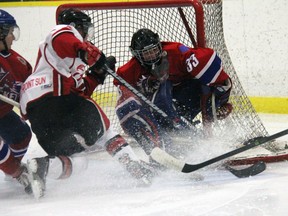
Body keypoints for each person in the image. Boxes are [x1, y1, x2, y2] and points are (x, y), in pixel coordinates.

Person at [20, 9, 155, 198]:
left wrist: (97, 76)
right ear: (77, 27)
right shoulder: (62, 32)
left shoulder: (70, 63)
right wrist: (89, 52)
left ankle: (43, 166)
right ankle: (133, 165)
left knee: (78, 161)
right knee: (104, 130)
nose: (87, 35)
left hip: (38, 110)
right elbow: (64, 40)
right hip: (53, 95)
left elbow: (79, 90)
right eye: (86, 29)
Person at [113, 28, 233, 165]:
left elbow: (206, 65)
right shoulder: (130, 71)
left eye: (154, 50)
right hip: (163, 110)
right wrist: (146, 86)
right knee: (156, 96)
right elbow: (123, 89)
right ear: (137, 55)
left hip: (188, 96)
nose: (152, 55)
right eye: (146, 53)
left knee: (206, 83)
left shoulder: (175, 52)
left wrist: (220, 101)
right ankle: (172, 141)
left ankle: (208, 121)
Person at [0, 9, 37, 195]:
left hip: (2, 113)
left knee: (22, 134)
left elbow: (29, 86)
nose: (13, 38)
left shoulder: (18, 61)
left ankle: (11, 169)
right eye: (9, 32)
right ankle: (17, 172)